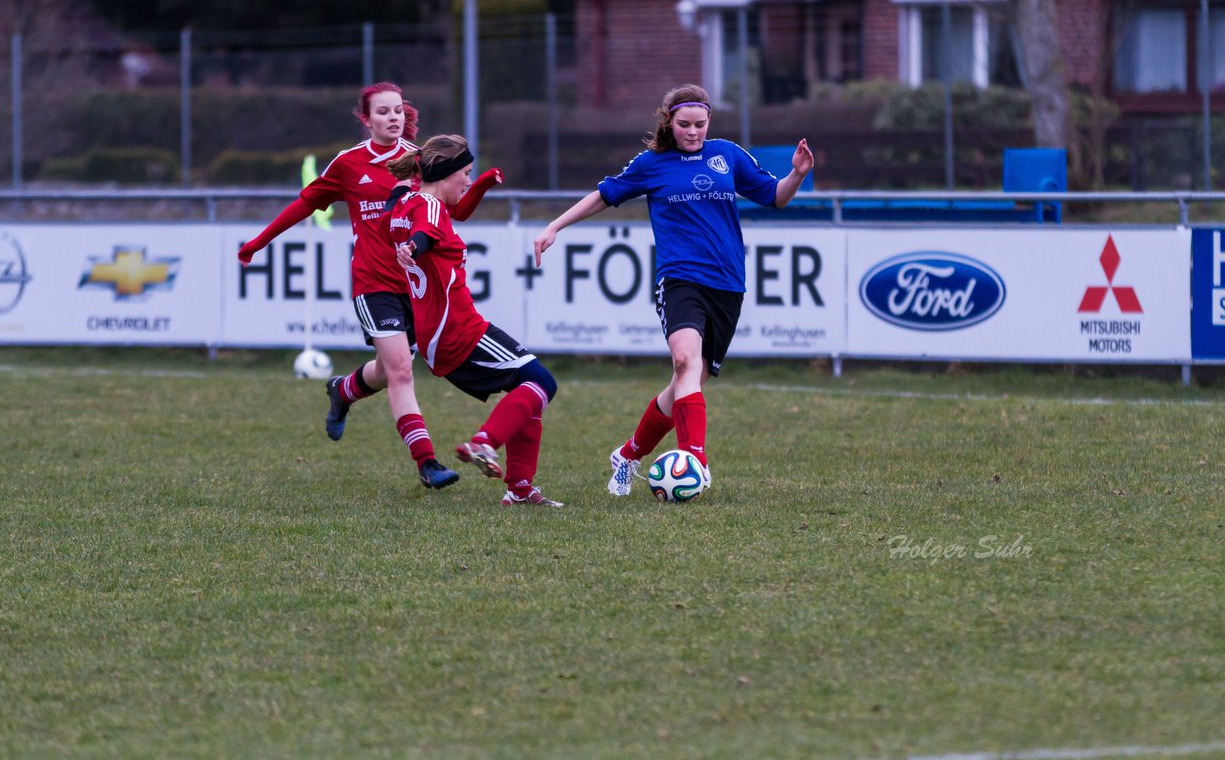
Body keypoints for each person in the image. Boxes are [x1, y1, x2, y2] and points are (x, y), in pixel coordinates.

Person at [532, 84, 813, 496]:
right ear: (669, 122)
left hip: (728, 283)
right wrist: (555, 226)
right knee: (685, 362)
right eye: (685, 125)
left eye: (700, 124)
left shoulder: (728, 155)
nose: (694, 132)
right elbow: (603, 196)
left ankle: (628, 454)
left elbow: (775, 196)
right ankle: (694, 462)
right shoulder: (652, 164)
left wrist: (798, 175)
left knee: (689, 379)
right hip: (679, 278)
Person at [237, 83, 492, 491]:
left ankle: (343, 390)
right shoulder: (348, 164)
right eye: (383, 112)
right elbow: (305, 203)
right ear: (366, 118)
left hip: (416, 284)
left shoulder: (420, 161)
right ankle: (427, 463)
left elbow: (454, 210)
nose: (393, 118)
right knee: (401, 371)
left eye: (397, 112)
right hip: (372, 284)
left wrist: (482, 184)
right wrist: (258, 242)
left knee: (385, 371)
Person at [385, 134, 564, 507]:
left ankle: (519, 489)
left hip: (434, 335)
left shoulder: (405, 203)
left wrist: (482, 184)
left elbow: (442, 214)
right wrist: (414, 247)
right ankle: (484, 442)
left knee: (525, 390)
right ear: (446, 174)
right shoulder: (430, 209)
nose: (467, 180)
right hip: (460, 330)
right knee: (543, 383)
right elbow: (428, 234)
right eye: (466, 173)